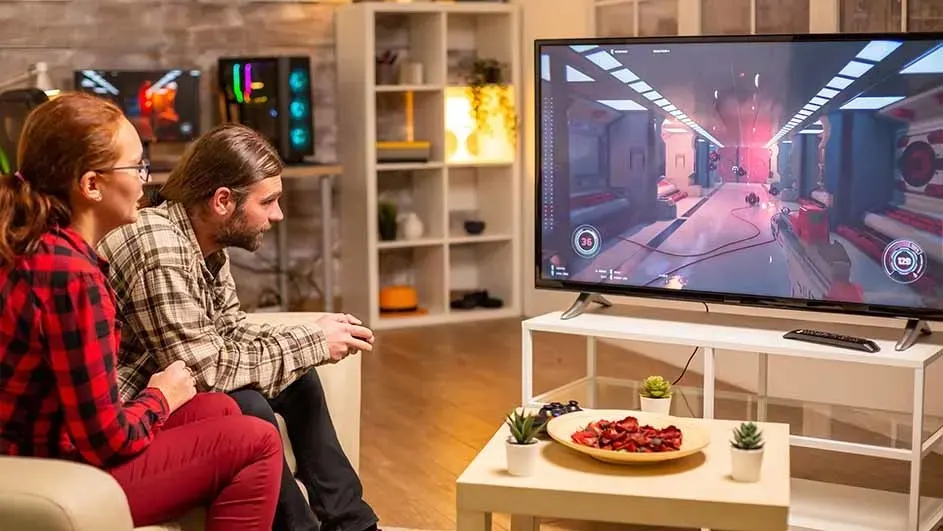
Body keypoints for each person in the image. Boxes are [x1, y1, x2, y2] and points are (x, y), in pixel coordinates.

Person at [0, 92, 283, 531]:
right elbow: (106, 441)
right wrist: (161, 397)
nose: (146, 183)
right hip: (45, 465)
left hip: (52, 445)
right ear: (91, 185)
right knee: (259, 440)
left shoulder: (39, 242)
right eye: (136, 169)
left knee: (220, 409)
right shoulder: (71, 276)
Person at [97, 123, 379, 531]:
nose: (277, 215)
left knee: (299, 380)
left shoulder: (204, 241)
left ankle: (353, 524)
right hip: (134, 405)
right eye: (269, 202)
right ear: (223, 201)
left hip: (178, 380)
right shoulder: (159, 246)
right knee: (248, 404)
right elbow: (206, 371)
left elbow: (229, 330)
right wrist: (312, 342)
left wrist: (310, 336)